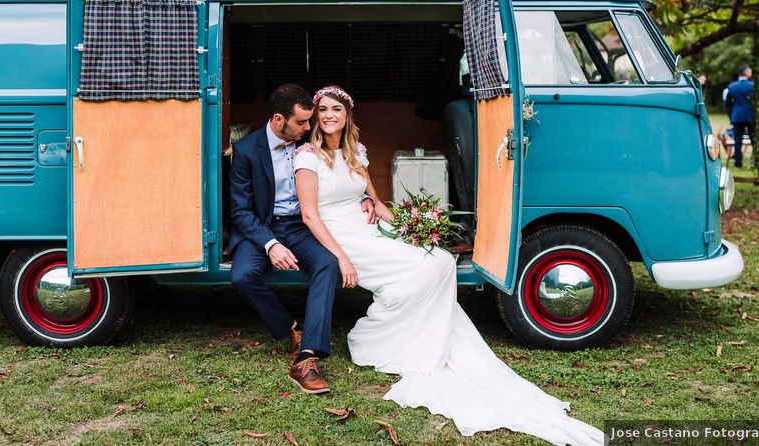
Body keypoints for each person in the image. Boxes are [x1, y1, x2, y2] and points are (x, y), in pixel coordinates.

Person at [293, 85, 604, 445]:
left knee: (439, 259)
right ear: (315, 116)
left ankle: (418, 333)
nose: (330, 115)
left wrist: (409, 231)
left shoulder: (355, 153)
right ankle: (378, 338)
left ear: (347, 116)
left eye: (337, 109)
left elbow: (375, 202)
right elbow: (310, 215)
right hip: (339, 236)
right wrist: (340, 257)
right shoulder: (307, 156)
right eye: (324, 109)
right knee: (422, 270)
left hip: (366, 226)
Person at [228, 83, 375, 394]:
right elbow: (240, 211)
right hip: (261, 228)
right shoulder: (245, 150)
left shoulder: (309, 143)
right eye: (302, 122)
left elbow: (343, 171)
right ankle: (291, 328)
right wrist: (270, 244)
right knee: (242, 276)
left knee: (327, 264)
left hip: (300, 225)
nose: (310, 127)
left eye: (311, 121)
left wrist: (365, 198)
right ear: (280, 120)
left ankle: (307, 356)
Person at [726, 66, 756, 168]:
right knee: (754, 139)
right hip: (750, 115)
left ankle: (738, 162)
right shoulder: (752, 86)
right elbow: (757, 102)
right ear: (747, 73)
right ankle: (756, 161)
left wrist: (732, 116)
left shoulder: (732, 87)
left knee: (738, 140)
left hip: (737, 116)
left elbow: (727, 104)